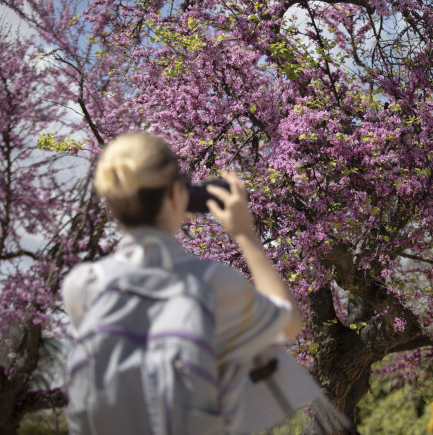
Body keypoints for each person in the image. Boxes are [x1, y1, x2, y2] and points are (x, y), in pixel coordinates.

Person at [62, 132, 306, 434]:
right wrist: (245, 234)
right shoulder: (209, 282)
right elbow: (287, 322)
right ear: (177, 195)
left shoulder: (81, 285)